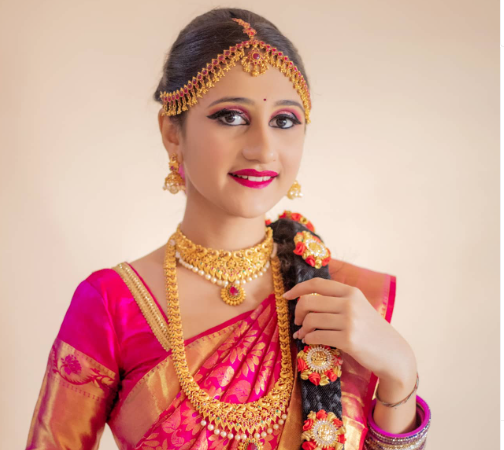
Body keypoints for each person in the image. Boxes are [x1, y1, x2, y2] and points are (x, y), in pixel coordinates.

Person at [25, 8, 431, 450]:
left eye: (284, 121)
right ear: (172, 133)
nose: (263, 149)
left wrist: (400, 374)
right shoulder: (111, 305)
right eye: (231, 117)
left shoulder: (339, 298)